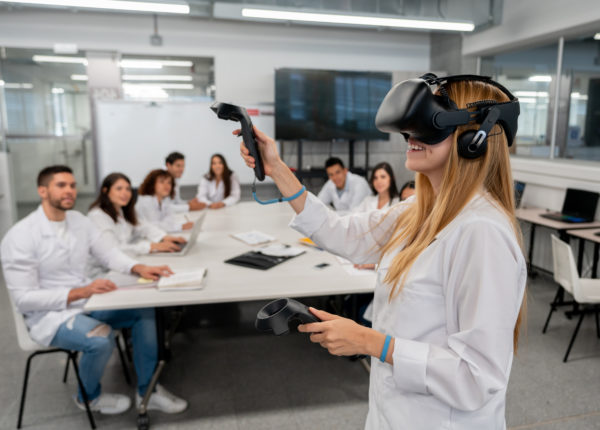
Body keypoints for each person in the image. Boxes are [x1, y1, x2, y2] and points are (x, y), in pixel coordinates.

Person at [237, 75, 527, 429]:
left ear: (475, 139)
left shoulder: (482, 234)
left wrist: (370, 341)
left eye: (428, 126)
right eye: (410, 129)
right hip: (393, 413)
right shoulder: (418, 209)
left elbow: (477, 378)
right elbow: (341, 233)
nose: (411, 138)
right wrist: (277, 168)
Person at [0, 165, 188, 415]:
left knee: (144, 311)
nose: (69, 191)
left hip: (87, 303)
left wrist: (138, 267)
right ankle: (88, 397)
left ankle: (148, 391)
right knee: (100, 339)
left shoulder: (78, 221)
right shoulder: (21, 236)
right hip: (50, 316)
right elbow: (24, 300)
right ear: (42, 191)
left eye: (72, 185)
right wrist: (83, 291)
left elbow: (109, 254)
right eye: (61, 185)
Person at [87, 173, 187, 276]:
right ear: (105, 191)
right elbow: (113, 251)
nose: (125, 193)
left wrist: (164, 237)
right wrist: (150, 247)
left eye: (128, 189)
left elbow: (143, 226)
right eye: (119, 189)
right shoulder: (98, 216)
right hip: (102, 273)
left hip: (121, 265)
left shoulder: (122, 210)